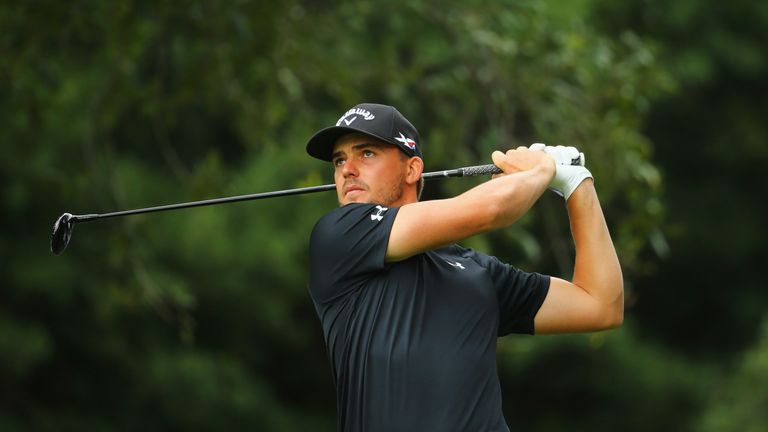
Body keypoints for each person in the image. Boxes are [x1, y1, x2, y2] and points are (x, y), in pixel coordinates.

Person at [305, 103, 623, 432]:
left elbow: (601, 305)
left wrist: (576, 184)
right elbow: (493, 208)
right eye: (339, 160)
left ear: (412, 169)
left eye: (366, 154)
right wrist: (541, 170)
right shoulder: (338, 236)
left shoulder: (476, 271)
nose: (347, 169)